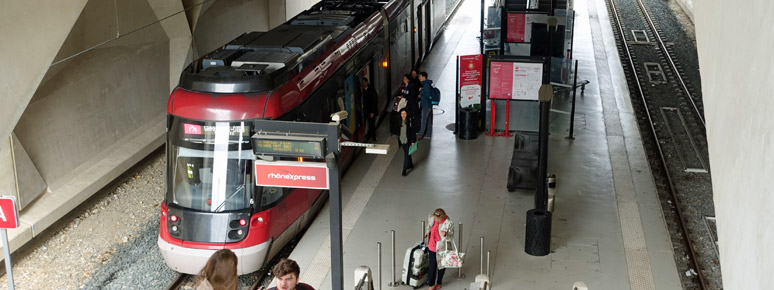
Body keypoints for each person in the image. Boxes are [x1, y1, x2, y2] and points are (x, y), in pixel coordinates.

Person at [424, 208, 454, 290]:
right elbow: (429, 225)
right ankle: (431, 284)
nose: (436, 221)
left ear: (442, 217)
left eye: (438, 220)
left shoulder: (448, 223)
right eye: (435, 219)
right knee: (432, 266)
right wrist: (427, 231)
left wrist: (445, 234)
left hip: (442, 248)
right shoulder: (432, 218)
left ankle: (439, 282)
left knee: (442, 266)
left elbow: (451, 236)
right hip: (432, 247)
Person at [398, 108, 416, 176]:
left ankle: (404, 170)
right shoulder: (399, 121)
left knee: (406, 155)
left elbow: (413, 132)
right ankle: (410, 165)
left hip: (408, 141)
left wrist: (413, 141)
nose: (403, 115)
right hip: (402, 141)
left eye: (404, 113)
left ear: (407, 114)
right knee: (407, 153)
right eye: (402, 113)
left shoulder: (410, 121)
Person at [417, 71, 434, 139]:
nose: (419, 78)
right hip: (428, 104)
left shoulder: (426, 85)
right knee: (428, 120)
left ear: (424, 77)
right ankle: (428, 134)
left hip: (426, 105)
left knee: (423, 120)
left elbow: (427, 95)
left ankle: (420, 134)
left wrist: (421, 91)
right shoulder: (427, 84)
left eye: (420, 77)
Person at [362, 78, 378, 142]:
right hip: (365, 111)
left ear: (366, 82)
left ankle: (373, 136)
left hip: (371, 110)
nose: (363, 84)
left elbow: (375, 101)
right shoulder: (362, 90)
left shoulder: (371, 90)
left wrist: (372, 112)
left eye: (363, 83)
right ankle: (368, 134)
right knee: (367, 123)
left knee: (372, 124)